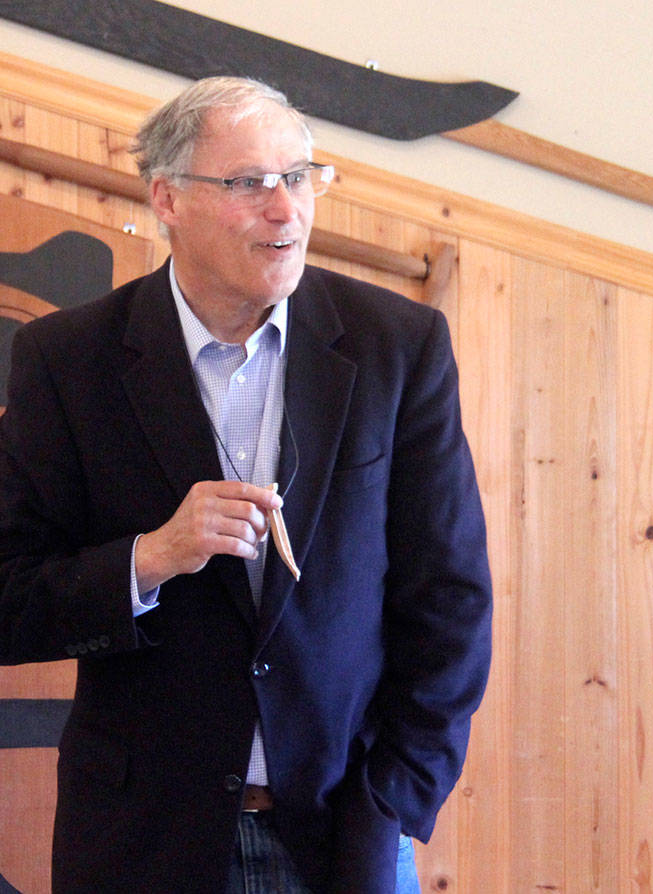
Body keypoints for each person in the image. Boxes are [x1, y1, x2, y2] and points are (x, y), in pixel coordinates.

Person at [0, 77, 492, 893]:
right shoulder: (67, 360)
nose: (285, 209)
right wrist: (150, 559)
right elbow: (7, 601)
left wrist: (397, 796)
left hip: (345, 834)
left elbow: (450, 596)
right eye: (249, 183)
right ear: (168, 199)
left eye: (300, 177)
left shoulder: (397, 347)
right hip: (140, 842)